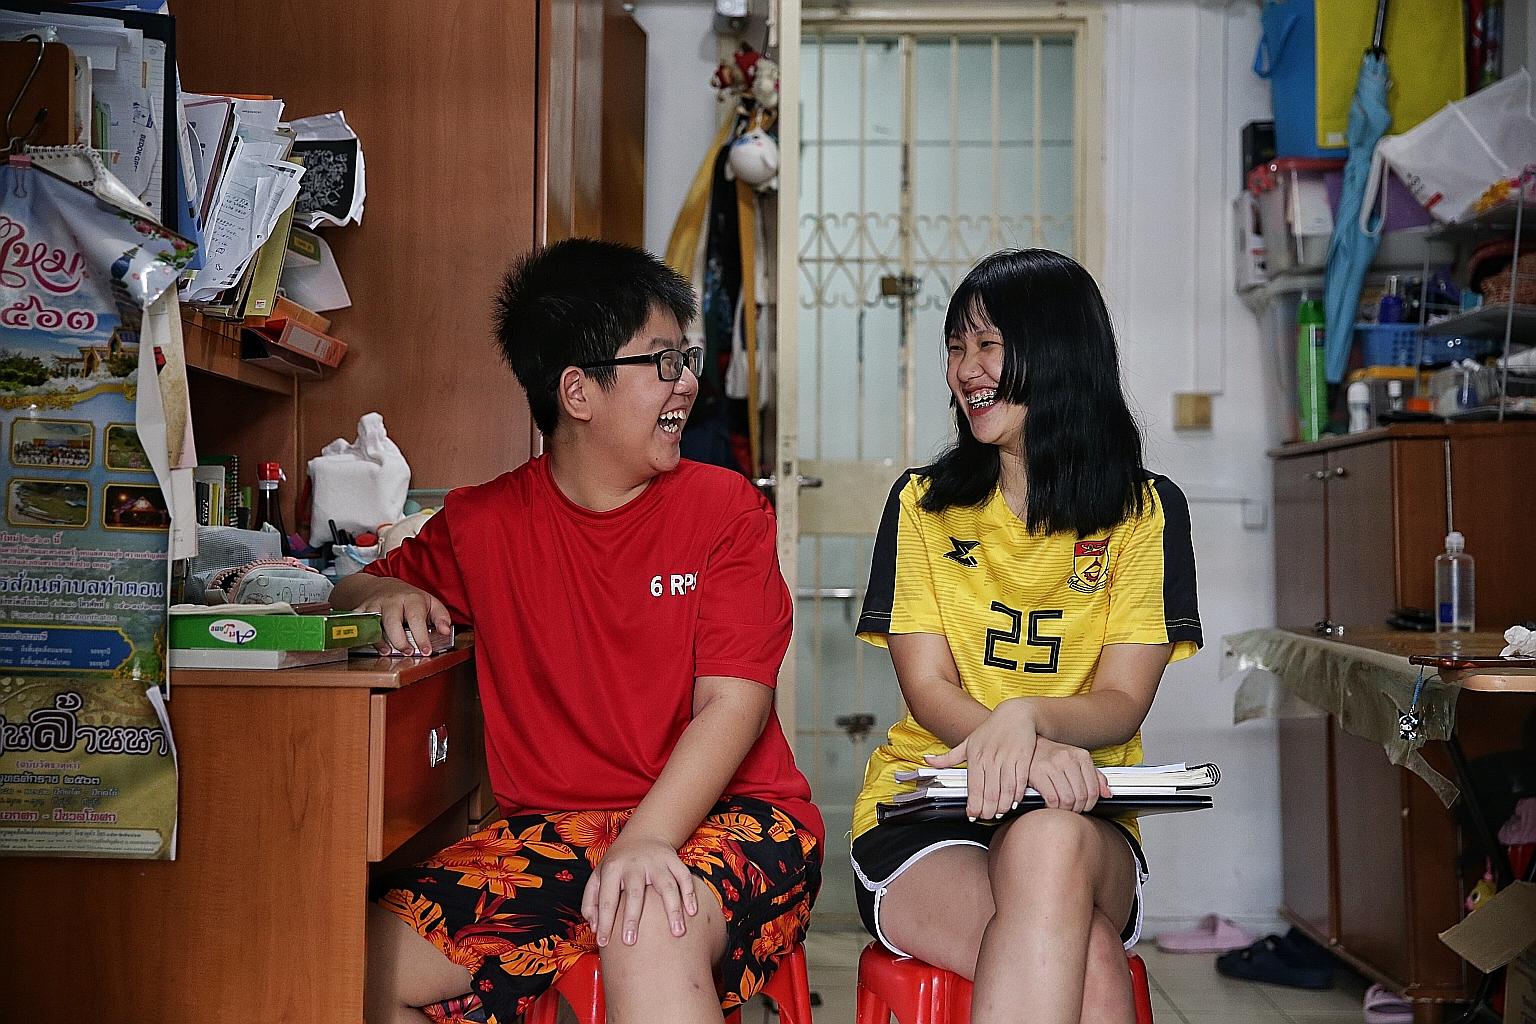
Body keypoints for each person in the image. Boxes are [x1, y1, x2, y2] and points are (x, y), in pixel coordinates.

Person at [336, 238, 822, 1024]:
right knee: (354, 958)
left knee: (647, 922)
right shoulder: (482, 524)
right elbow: (349, 587)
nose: (687, 381)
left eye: (686, 358)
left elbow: (733, 705)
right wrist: (380, 588)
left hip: (733, 816)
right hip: (553, 837)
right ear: (578, 391)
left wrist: (647, 840)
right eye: (661, 361)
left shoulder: (726, 510)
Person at [849, 249, 1202, 1024]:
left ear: (1060, 354)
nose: (965, 369)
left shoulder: (1145, 512)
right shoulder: (922, 504)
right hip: (929, 812)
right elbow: (928, 688)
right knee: (1090, 961)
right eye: (956, 347)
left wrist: (1028, 719)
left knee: (1047, 842)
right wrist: (1022, 748)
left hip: (1082, 814)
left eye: (988, 345)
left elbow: (1122, 701)